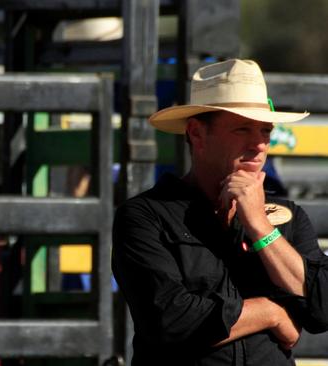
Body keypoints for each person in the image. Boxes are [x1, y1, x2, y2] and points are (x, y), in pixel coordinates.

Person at [112, 59, 328, 365]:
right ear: (197, 134)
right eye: (243, 129)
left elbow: (323, 307)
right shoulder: (145, 216)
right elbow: (169, 322)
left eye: (265, 131)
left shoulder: (287, 216)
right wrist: (269, 312)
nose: (259, 144)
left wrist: (260, 227)